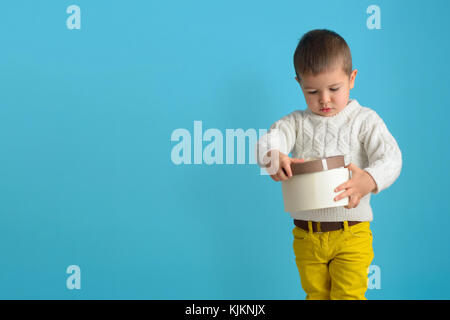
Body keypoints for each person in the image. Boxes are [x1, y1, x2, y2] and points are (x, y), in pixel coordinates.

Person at [255, 29, 402, 300]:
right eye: (312, 91)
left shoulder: (364, 120)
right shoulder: (296, 123)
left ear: (352, 78)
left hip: (351, 234)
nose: (324, 99)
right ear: (299, 84)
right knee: (316, 296)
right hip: (306, 236)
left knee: (348, 296)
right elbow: (268, 140)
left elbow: (392, 158)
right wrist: (273, 155)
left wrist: (368, 180)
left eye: (334, 89)